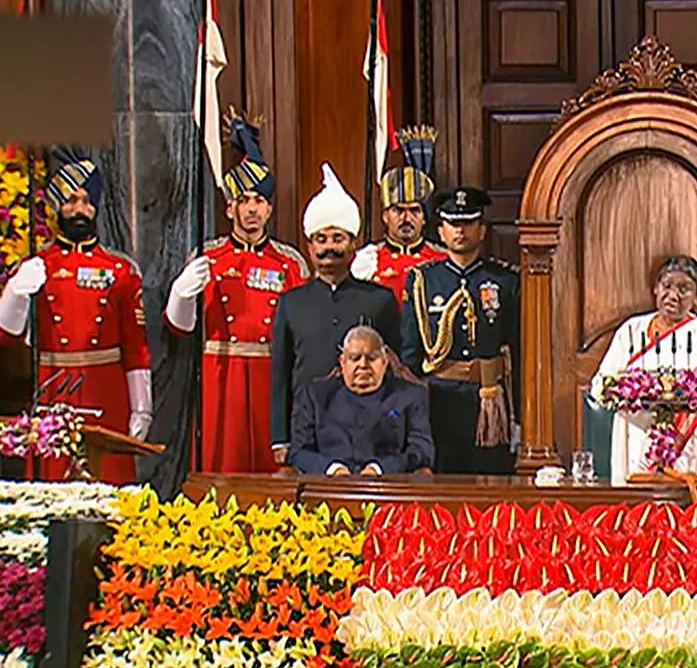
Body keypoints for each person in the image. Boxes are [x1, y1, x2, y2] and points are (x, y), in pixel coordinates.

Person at [163, 108, 309, 473]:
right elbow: (179, 328)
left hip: (272, 374)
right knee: (222, 461)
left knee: (269, 465)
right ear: (230, 208)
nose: (252, 209)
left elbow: (302, 333)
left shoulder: (289, 263)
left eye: (259, 201)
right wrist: (181, 294)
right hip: (220, 370)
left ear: (270, 208)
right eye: (243, 201)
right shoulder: (209, 256)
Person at [0, 155, 150, 483]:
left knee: (109, 486)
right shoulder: (36, 265)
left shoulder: (120, 270)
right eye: (70, 200)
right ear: (57, 207)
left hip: (106, 390)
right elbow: (6, 335)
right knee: (51, 486)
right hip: (54, 387)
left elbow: (135, 346)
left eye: (86, 201)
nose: (79, 209)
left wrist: (142, 405)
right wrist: (14, 292)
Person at [269, 163, 401, 464]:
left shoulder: (379, 300)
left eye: (338, 239)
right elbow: (280, 374)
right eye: (321, 239)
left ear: (353, 243)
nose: (329, 247)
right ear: (309, 245)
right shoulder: (291, 302)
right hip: (306, 432)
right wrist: (280, 437)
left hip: (371, 429)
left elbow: (396, 369)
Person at [591, 255, 697, 485]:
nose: (673, 295)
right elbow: (600, 386)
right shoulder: (631, 331)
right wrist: (633, 392)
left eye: (684, 289)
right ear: (655, 288)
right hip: (638, 440)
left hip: (695, 442)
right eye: (667, 286)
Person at [401, 186, 520, 474]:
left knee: (491, 482)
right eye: (453, 223)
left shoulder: (505, 280)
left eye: (468, 223)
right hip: (439, 401)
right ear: (440, 231)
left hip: (490, 401)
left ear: (482, 230)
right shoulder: (422, 280)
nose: (460, 231)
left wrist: (520, 420)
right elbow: (410, 354)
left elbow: (518, 348)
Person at [288, 325, 434, 475]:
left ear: (384, 362)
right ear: (342, 362)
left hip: (388, 485)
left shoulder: (410, 395)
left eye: (372, 358)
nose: (363, 365)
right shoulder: (314, 395)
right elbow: (298, 453)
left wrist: (380, 469)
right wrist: (333, 469)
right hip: (328, 485)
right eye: (354, 358)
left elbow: (422, 450)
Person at [351, 125, 447, 300]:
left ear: (424, 217)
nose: (406, 218)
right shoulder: (368, 260)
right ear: (385, 216)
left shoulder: (442, 259)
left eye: (414, 211)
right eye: (398, 210)